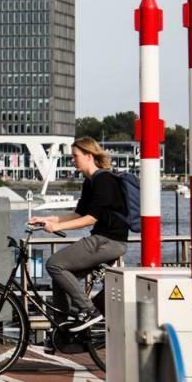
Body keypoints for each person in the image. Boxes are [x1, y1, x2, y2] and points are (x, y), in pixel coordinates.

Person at [28, 137, 128, 331]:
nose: (72, 160)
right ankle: (66, 329)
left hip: (108, 241)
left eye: (75, 156)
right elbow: (78, 214)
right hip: (102, 240)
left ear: (89, 156)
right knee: (61, 279)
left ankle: (90, 311)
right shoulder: (90, 182)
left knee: (54, 264)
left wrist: (57, 229)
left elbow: (91, 218)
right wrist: (48, 220)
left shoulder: (104, 180)